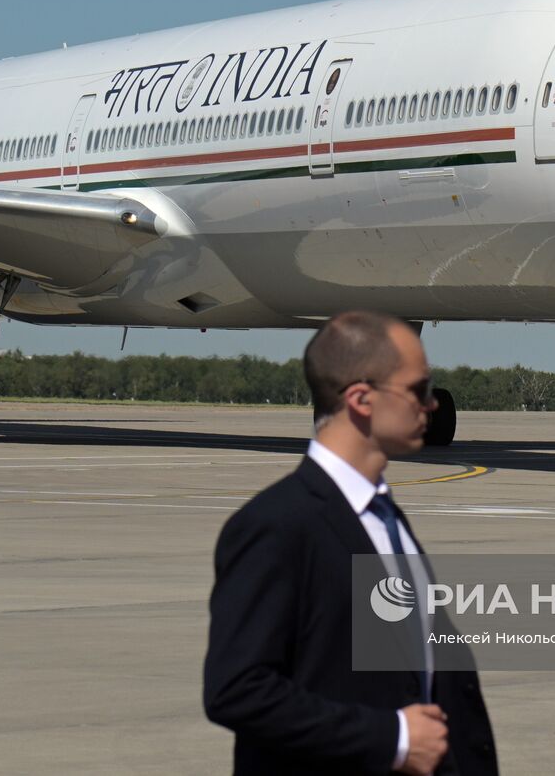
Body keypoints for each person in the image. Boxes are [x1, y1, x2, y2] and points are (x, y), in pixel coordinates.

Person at [204, 310, 497, 775]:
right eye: (419, 390)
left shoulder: (383, 516)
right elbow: (237, 689)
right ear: (361, 399)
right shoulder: (275, 525)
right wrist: (393, 739)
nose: (433, 405)